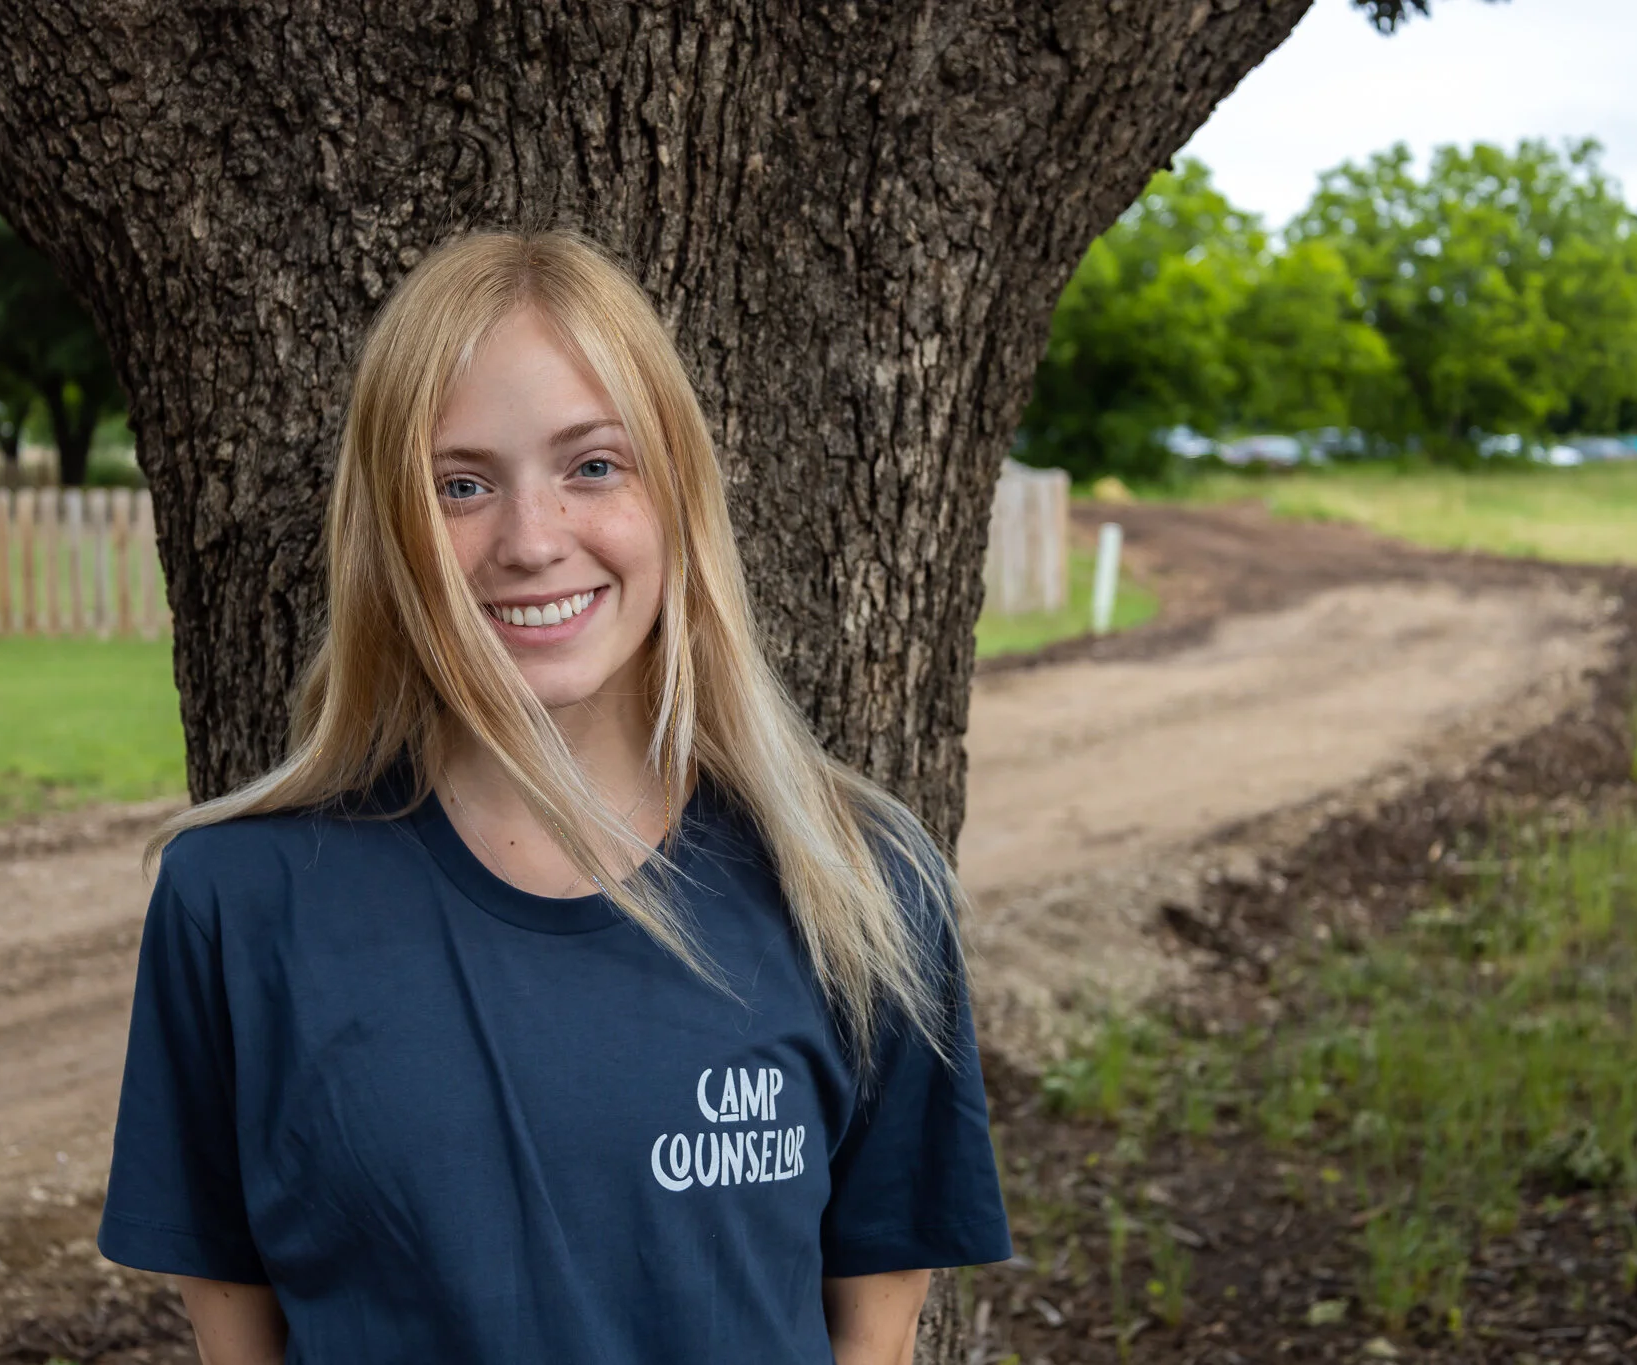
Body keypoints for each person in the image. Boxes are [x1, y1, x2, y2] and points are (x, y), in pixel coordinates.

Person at [97, 230, 1011, 1364]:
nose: (530, 543)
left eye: (593, 465)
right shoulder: (235, 898)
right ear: (391, 534)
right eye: (461, 485)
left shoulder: (858, 885)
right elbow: (234, 1323)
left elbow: (874, 1326)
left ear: (676, 493)